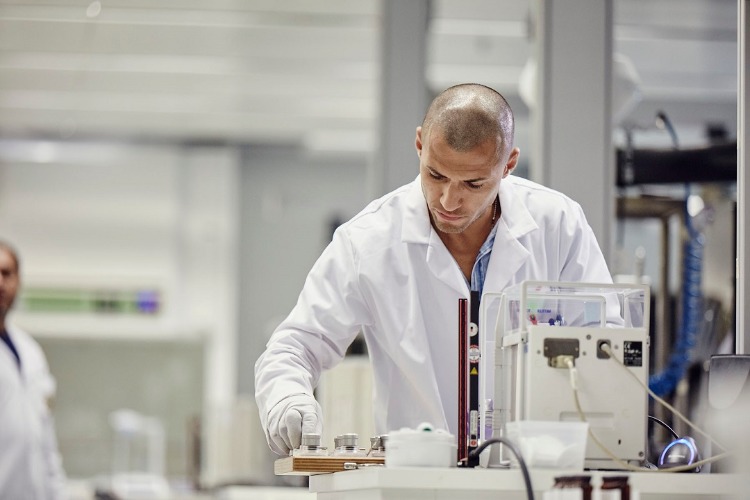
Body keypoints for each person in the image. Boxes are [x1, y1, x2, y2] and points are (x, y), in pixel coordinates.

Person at [255, 83, 614, 456]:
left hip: (533, 475)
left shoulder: (558, 226)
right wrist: (288, 401)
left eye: (473, 183)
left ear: (508, 164)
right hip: (417, 479)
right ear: (419, 145)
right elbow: (295, 346)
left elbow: (608, 345)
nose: (448, 200)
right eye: (436, 175)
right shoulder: (368, 241)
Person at [0, 241, 68, 499]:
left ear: (18, 281)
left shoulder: (32, 353)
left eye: (7, 273)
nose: (0, 282)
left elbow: (46, 444)